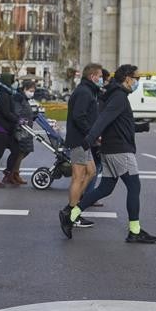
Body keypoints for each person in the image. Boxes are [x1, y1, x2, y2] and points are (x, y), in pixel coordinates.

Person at [62, 64, 156, 243]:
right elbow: (103, 120)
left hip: (111, 149)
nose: (138, 82)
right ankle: (134, 231)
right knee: (134, 187)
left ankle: (71, 214)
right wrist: (89, 139)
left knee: (105, 188)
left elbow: (117, 124)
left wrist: (141, 127)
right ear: (128, 79)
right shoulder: (119, 97)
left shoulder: (113, 95)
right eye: (137, 78)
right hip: (120, 150)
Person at [62, 63, 104, 229]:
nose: (101, 79)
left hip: (84, 141)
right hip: (79, 141)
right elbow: (79, 116)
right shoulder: (84, 92)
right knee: (78, 177)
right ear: (93, 76)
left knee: (92, 172)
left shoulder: (87, 91)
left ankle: (74, 207)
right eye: (100, 76)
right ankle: (72, 212)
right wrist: (92, 134)